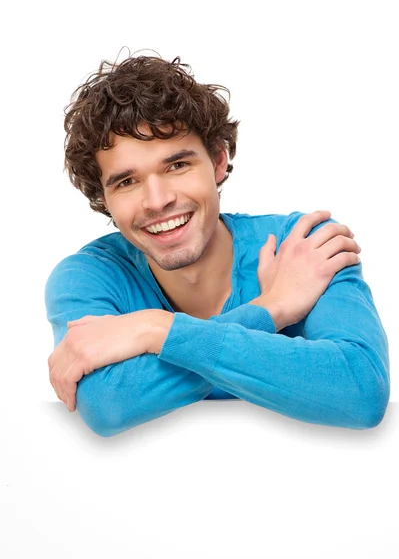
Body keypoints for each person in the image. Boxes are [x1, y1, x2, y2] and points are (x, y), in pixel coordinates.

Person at [45, 53, 390, 437]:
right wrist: (269, 309)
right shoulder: (89, 276)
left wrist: (153, 330)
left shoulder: (301, 245)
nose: (157, 201)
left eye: (177, 166)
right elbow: (108, 403)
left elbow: (360, 390)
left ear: (219, 161)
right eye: (126, 182)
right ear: (103, 198)